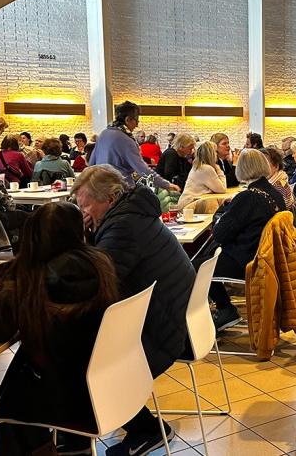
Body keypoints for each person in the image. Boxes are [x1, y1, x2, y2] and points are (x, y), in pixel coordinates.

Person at [0, 202, 118, 455]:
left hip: (58, 395)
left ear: (31, 238)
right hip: (98, 383)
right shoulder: (100, 265)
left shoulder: (34, 284)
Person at [71, 165, 195, 455]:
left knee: (86, 363)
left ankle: (144, 431)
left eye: (85, 203)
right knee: (88, 353)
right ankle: (85, 433)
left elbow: (99, 282)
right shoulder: (133, 215)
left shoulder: (123, 227)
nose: (82, 210)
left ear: (110, 198)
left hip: (163, 330)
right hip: (174, 317)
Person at [206, 149, 287, 331]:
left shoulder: (248, 197)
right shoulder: (274, 192)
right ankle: (223, 310)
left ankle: (225, 309)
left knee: (197, 267)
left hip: (248, 259)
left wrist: (221, 215)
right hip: (265, 256)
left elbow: (220, 234)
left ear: (241, 169)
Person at [90, 101, 178, 191]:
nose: (137, 125)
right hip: (120, 190)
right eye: (136, 120)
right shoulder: (126, 140)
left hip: (101, 188)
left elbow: (91, 163)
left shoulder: (103, 134)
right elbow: (142, 169)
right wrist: (167, 185)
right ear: (128, 119)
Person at [177, 141, 227, 212]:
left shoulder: (198, 166)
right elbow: (222, 189)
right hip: (189, 206)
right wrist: (219, 170)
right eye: (215, 152)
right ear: (211, 154)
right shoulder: (206, 169)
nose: (216, 155)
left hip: (186, 203)